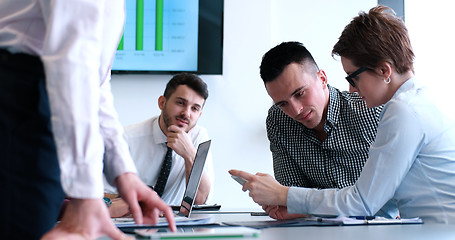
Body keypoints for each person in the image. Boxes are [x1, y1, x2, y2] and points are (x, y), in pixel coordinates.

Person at [231, 6, 455, 223]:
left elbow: (362, 202)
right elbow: (379, 199)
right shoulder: (418, 101)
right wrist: (296, 205)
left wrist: (283, 195)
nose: (351, 89)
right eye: (282, 103)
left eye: (353, 78)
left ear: (384, 70)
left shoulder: (402, 111)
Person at [0, 1, 175, 239]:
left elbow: (95, 86)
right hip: (21, 104)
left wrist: (124, 173)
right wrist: (86, 196)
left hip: (33, 105)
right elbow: (72, 68)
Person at [231, 41, 398, 218]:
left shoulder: (371, 111)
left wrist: (291, 201)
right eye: (282, 103)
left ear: (322, 79)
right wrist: (290, 209)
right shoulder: (278, 121)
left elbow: (382, 202)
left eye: (300, 94)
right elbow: (293, 195)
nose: (295, 110)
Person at [105, 73, 214, 217]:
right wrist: (140, 201)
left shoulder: (199, 138)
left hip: (176, 226)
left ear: (199, 114)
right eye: (180, 103)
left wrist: (189, 155)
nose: (186, 113)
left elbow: (200, 201)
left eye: (194, 108)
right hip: (131, 221)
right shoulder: (127, 138)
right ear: (162, 103)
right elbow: (101, 194)